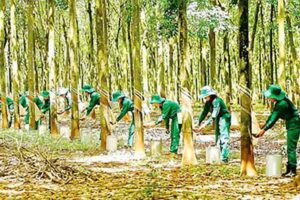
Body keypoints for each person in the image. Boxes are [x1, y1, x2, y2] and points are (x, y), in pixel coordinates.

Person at [255, 85, 300, 177]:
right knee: (289, 147)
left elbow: (274, 118)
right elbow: (272, 115)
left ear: (275, 96)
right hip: (291, 122)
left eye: (270, 97)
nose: (268, 98)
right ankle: (289, 170)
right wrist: (264, 124)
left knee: (291, 147)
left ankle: (292, 171)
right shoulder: (279, 102)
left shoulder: (282, 104)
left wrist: (264, 130)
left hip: (294, 123)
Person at [195, 86, 231, 163]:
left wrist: (204, 125)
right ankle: (218, 156)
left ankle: (224, 158)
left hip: (224, 117)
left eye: (205, 96)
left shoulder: (217, 101)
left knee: (224, 137)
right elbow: (204, 113)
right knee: (217, 136)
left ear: (210, 95)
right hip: (218, 118)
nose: (204, 98)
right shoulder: (208, 102)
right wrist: (198, 122)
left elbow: (214, 115)